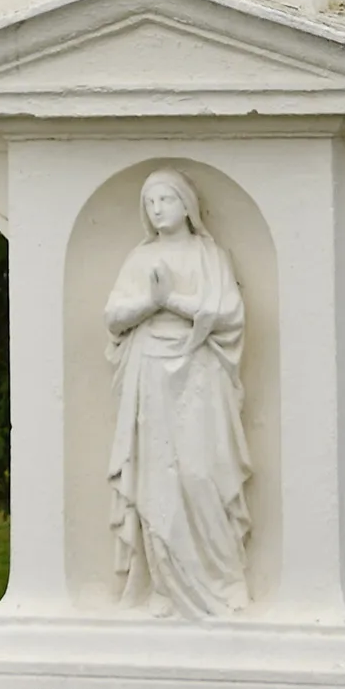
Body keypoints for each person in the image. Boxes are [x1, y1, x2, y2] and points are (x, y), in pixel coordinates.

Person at [104, 168, 251, 620]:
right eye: (150, 203)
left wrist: (173, 302)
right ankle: (163, 585)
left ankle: (226, 578)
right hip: (149, 371)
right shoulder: (140, 259)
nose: (157, 209)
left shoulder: (210, 255)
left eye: (165, 200)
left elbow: (227, 312)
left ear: (187, 204)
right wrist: (152, 302)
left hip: (199, 372)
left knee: (201, 472)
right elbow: (115, 316)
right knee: (157, 480)